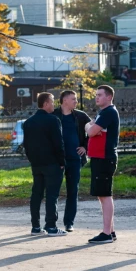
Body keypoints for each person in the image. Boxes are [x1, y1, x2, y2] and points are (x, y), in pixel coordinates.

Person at [23, 92, 67, 237]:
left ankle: (35, 226)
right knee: (52, 195)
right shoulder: (53, 120)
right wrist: (62, 162)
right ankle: (51, 226)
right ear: (46, 103)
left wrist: (33, 160)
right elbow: (58, 143)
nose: (54, 105)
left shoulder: (28, 122)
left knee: (36, 194)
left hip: (36, 164)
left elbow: (26, 146)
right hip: (52, 164)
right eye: (53, 102)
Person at [53, 90, 91, 232]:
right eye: (73, 99)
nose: (76, 101)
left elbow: (93, 130)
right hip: (57, 160)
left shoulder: (80, 116)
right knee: (53, 192)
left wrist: (85, 147)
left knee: (73, 191)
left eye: (76, 99)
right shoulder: (54, 115)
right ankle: (52, 223)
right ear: (64, 100)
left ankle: (69, 222)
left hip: (75, 160)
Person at [86, 85, 120, 244]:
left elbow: (91, 132)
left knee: (105, 195)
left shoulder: (109, 112)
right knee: (103, 194)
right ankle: (110, 231)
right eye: (96, 95)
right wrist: (91, 126)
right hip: (100, 157)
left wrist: (90, 127)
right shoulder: (103, 113)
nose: (96, 97)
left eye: (100, 95)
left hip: (105, 158)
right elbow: (93, 129)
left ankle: (106, 233)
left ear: (109, 97)